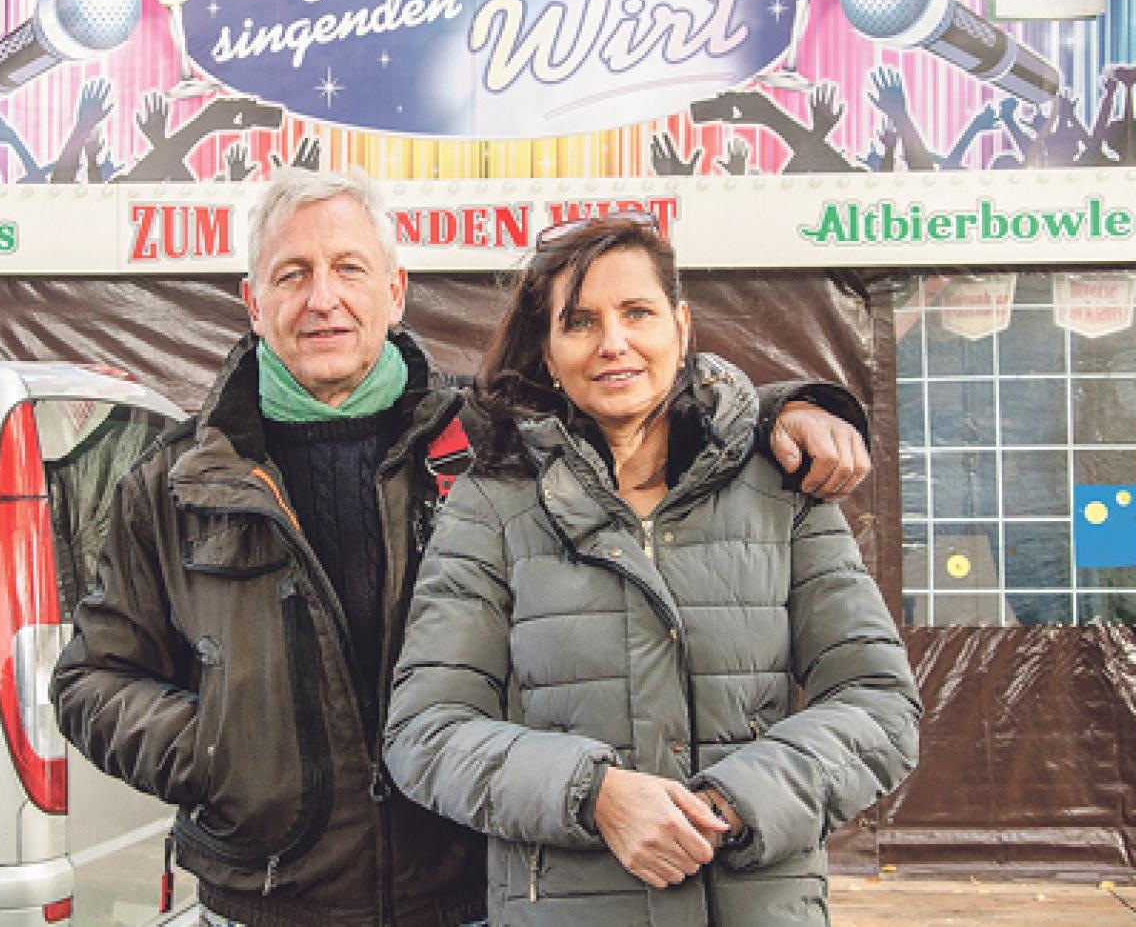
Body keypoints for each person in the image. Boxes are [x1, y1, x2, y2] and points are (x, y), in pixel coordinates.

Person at [52, 169, 874, 927]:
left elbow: (638, 401)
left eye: (348, 268)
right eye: (292, 274)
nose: (322, 298)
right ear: (252, 302)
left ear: (395, 290)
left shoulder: (492, 441)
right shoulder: (178, 481)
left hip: (468, 890)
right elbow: (92, 679)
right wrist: (220, 748)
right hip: (264, 899)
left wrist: (790, 410)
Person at [383, 213, 920, 926]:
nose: (614, 342)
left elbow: (879, 703)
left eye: (637, 312)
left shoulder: (783, 489)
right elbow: (426, 732)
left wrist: (736, 802)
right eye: (580, 322)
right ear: (549, 354)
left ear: (681, 326)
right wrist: (594, 795)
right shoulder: (493, 507)